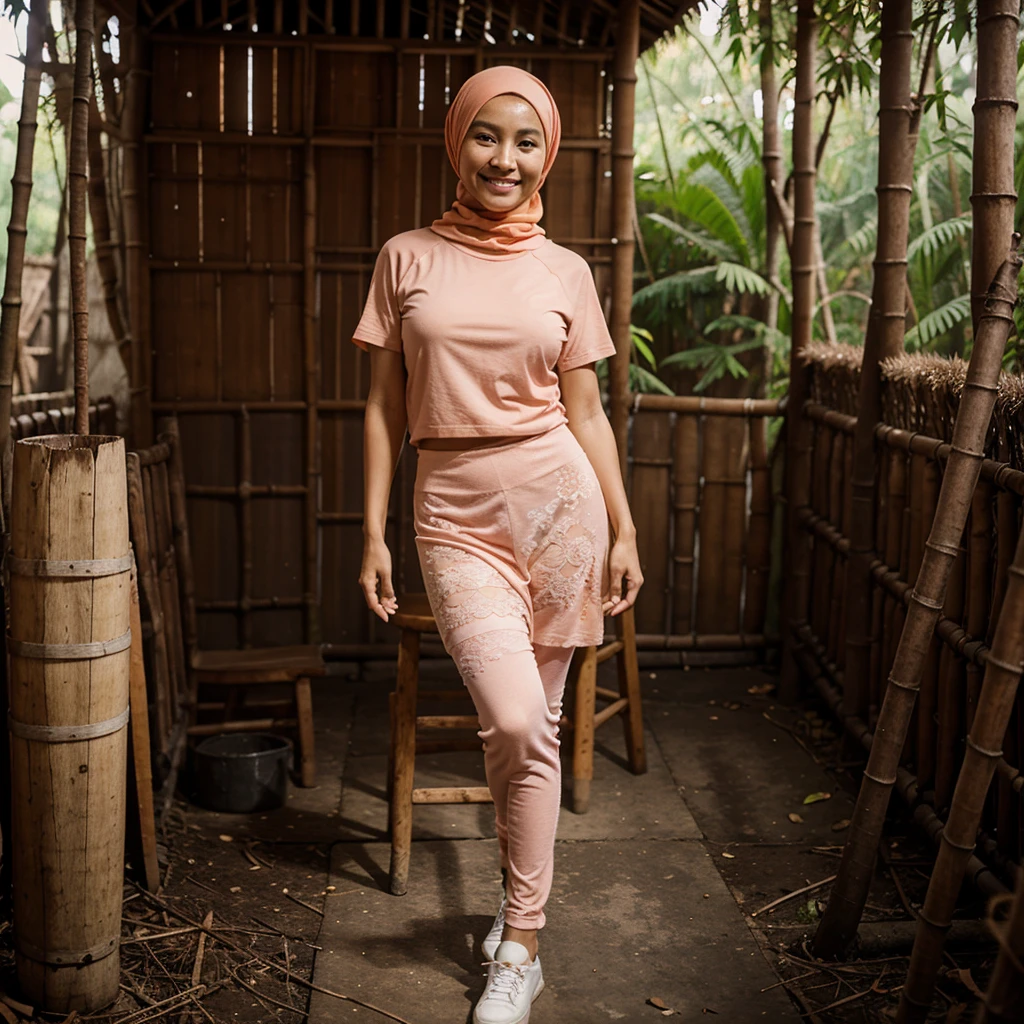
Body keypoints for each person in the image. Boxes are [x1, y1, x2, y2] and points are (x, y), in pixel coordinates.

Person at [353, 64, 643, 1024]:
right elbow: (385, 403)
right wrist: (372, 530)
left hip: (561, 507)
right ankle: (520, 927)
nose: (504, 158)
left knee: (532, 736)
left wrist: (624, 524)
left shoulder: (565, 272)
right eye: (487, 136)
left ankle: (520, 940)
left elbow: (590, 411)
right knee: (515, 722)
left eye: (525, 141)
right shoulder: (406, 257)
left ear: (547, 154)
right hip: (453, 512)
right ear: (458, 143)